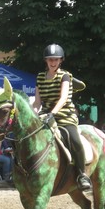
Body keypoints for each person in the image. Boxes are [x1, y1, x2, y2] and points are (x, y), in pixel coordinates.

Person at [32, 44, 91, 190]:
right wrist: (33, 114)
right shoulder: (40, 77)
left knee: (75, 140)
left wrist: (52, 113)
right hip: (45, 115)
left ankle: (82, 174)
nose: (53, 62)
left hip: (64, 115)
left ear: (61, 61)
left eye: (56, 60)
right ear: (46, 61)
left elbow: (63, 98)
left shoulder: (65, 76)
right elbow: (37, 102)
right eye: (50, 59)